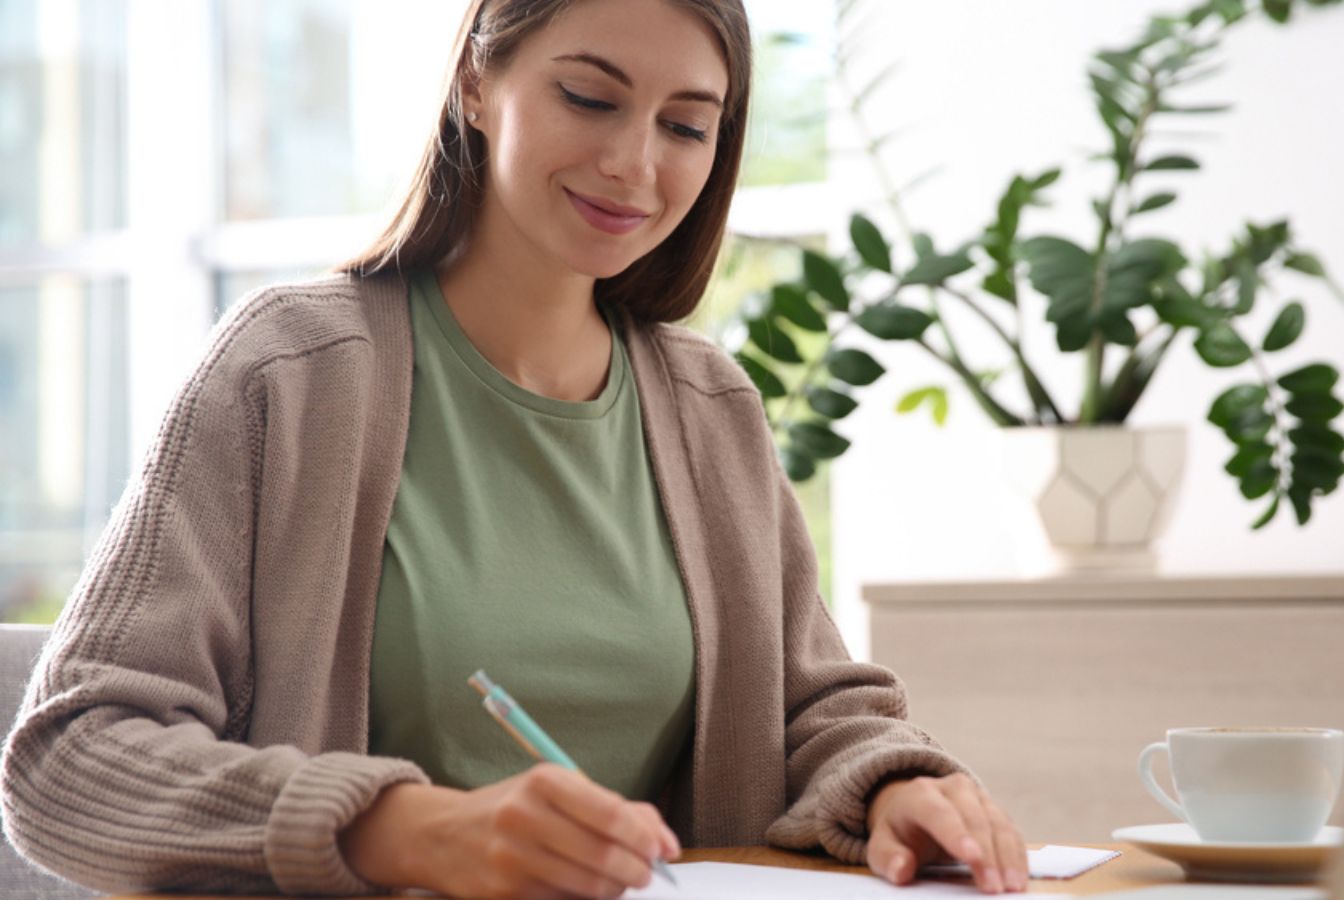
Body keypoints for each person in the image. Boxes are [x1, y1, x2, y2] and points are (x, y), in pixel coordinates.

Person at [0, 0, 1030, 897]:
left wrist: (898, 782)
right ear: (474, 84)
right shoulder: (288, 370)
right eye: (590, 98)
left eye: (686, 125)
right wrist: (404, 830)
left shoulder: (709, 403)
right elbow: (69, 756)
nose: (635, 163)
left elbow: (807, 705)